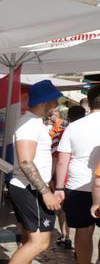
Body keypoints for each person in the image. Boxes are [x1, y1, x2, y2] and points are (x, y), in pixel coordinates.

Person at [0, 80, 62, 264]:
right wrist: (46, 191)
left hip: (30, 187)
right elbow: (26, 162)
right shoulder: (29, 123)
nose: (58, 103)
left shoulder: (34, 122)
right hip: (29, 188)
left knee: (29, 240)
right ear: (47, 101)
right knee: (40, 242)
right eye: (55, 99)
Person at [54, 87, 100, 264]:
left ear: (89, 103)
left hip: (77, 185)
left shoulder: (74, 126)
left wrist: (58, 188)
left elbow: (63, 160)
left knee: (84, 231)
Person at [53, 105, 85, 249]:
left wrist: (51, 179)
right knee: (83, 213)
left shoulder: (63, 132)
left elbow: (56, 157)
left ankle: (65, 236)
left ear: (69, 117)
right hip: (85, 178)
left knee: (63, 209)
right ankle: (81, 243)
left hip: (65, 175)